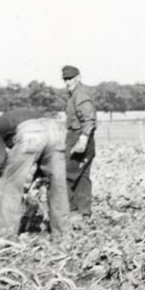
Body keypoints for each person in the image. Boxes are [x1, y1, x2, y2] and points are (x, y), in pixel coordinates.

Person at [0, 109, 69, 235]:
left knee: (9, 186)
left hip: (31, 133)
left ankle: (6, 235)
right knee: (58, 185)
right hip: (55, 129)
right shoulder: (24, 114)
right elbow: (44, 152)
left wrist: (7, 174)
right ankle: (63, 233)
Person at [62, 65, 97, 217]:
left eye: (70, 78)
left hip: (80, 137)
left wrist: (82, 139)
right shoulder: (75, 94)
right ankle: (84, 214)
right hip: (79, 136)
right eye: (65, 79)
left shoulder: (80, 94)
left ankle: (71, 212)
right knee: (82, 177)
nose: (67, 82)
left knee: (66, 176)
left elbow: (89, 119)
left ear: (78, 77)